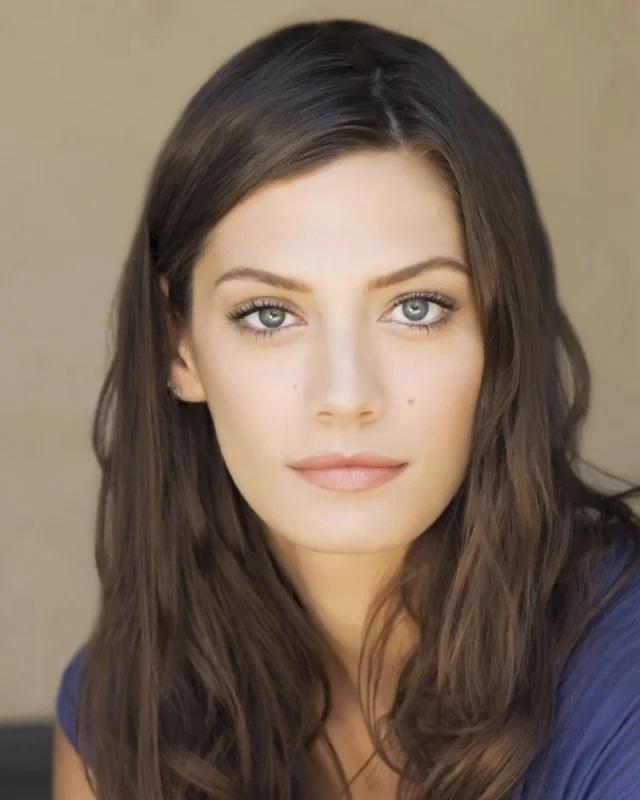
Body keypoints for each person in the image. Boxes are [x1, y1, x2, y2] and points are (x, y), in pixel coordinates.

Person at [52, 17, 640, 800]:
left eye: (417, 307)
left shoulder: (623, 687)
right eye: (269, 314)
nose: (346, 396)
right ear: (179, 348)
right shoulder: (122, 708)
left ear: (499, 333)